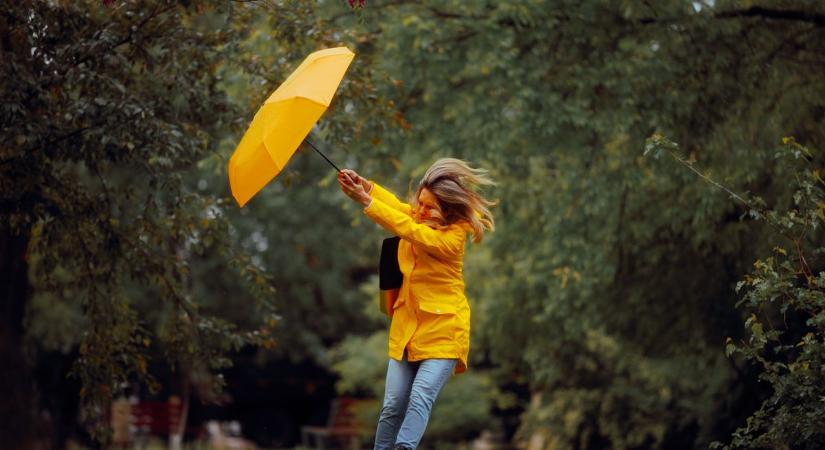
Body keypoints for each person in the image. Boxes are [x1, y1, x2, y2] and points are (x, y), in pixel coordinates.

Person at [337, 158, 496, 450]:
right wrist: (367, 187)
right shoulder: (419, 217)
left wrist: (366, 202)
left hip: (444, 332)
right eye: (419, 203)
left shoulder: (452, 238)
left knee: (421, 396)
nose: (420, 210)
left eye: (428, 206)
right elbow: (398, 208)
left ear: (447, 210)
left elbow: (408, 229)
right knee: (392, 405)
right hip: (407, 329)